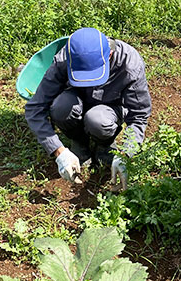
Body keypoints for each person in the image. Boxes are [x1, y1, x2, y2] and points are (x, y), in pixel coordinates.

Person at [25, 27, 151, 189]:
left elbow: (139, 115)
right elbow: (35, 108)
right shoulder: (65, 58)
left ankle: (104, 144)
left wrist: (126, 153)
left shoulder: (129, 63)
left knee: (97, 120)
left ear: (109, 55)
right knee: (61, 107)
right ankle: (79, 141)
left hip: (109, 110)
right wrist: (59, 151)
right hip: (75, 102)